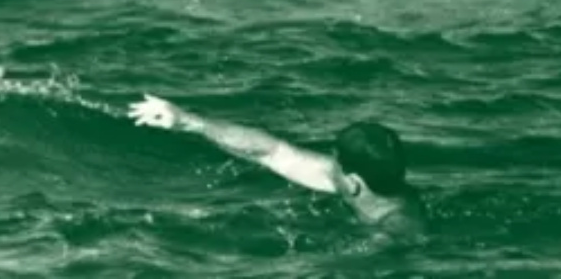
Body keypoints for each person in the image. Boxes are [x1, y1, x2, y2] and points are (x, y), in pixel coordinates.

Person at [128, 94, 426, 239]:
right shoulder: (367, 182)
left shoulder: (398, 230)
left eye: (334, 162)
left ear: (354, 183)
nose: (328, 165)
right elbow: (272, 151)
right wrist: (188, 121)